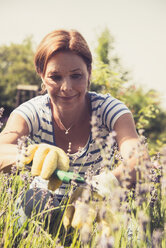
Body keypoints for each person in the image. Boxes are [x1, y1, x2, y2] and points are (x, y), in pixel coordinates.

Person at [0, 29, 145, 228]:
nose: (67, 87)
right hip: (44, 203)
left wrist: (100, 186)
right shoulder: (31, 111)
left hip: (96, 201)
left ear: (89, 72)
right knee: (34, 200)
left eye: (76, 76)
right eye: (55, 77)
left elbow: (139, 159)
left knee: (128, 230)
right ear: (41, 75)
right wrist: (32, 154)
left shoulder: (110, 110)